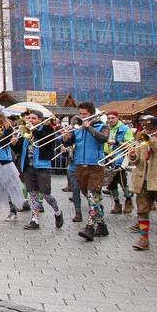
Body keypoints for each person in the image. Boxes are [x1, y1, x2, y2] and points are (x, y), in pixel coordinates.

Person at [62, 102, 109, 241]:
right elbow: (68, 144)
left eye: (85, 114)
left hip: (95, 166)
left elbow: (103, 138)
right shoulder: (78, 128)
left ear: (92, 113)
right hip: (80, 167)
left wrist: (89, 128)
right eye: (80, 114)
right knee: (91, 198)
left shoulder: (102, 126)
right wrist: (65, 138)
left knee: (92, 197)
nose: (82, 117)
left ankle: (89, 227)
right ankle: (102, 226)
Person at [16, 110, 65, 231]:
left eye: (33, 118)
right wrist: (14, 143)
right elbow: (19, 149)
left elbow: (46, 142)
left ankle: (57, 212)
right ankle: (35, 220)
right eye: (29, 118)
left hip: (42, 166)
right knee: (32, 194)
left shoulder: (47, 130)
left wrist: (35, 131)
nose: (30, 120)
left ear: (40, 120)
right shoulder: (25, 130)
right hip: (28, 166)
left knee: (46, 194)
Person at [129, 117, 157, 250]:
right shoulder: (143, 140)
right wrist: (133, 156)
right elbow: (137, 160)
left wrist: (153, 142)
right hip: (143, 180)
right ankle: (144, 239)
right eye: (147, 129)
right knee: (142, 210)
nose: (149, 131)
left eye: (152, 129)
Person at [102, 111, 136, 215]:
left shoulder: (125, 129)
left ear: (118, 118)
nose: (110, 120)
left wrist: (116, 143)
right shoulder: (105, 129)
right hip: (107, 159)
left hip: (120, 159)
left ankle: (129, 200)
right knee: (111, 183)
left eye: (113, 118)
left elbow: (131, 145)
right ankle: (117, 203)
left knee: (122, 182)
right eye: (109, 118)